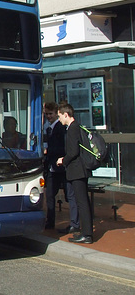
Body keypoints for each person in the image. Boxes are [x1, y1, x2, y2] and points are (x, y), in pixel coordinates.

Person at [56, 103, 93, 244]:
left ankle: (87, 234)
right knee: (82, 201)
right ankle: (85, 232)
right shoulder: (76, 126)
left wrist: (62, 160)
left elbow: (73, 152)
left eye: (59, 116)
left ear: (66, 115)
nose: (59, 119)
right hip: (80, 170)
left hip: (77, 170)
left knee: (82, 202)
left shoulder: (72, 129)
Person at [43, 102, 79, 232]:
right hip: (53, 167)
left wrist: (49, 151)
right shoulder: (48, 128)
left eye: (50, 114)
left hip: (62, 166)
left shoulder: (61, 128)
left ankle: (75, 223)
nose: (48, 116)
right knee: (50, 194)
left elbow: (65, 147)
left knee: (70, 195)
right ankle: (50, 221)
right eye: (46, 114)